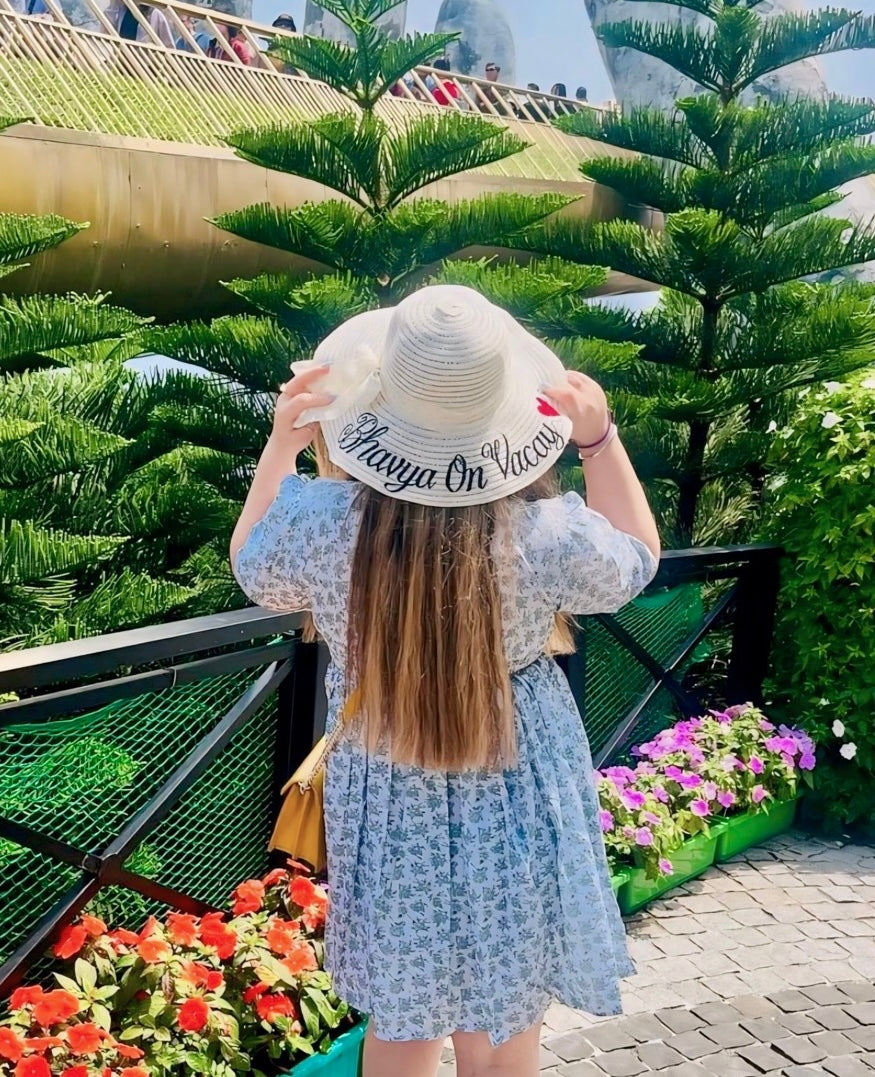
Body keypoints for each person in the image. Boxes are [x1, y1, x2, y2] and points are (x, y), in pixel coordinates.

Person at [231, 285, 660, 1077]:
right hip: (519, 784)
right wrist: (599, 442)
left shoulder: (329, 525)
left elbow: (254, 563)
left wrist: (280, 444)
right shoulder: (545, 531)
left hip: (389, 795)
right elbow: (635, 557)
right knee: (502, 1035)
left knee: (402, 1023)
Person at [106, 0, 174, 47]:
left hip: (143, 64)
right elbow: (106, 30)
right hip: (122, 60)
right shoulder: (120, 10)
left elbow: (169, 46)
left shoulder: (155, 14)